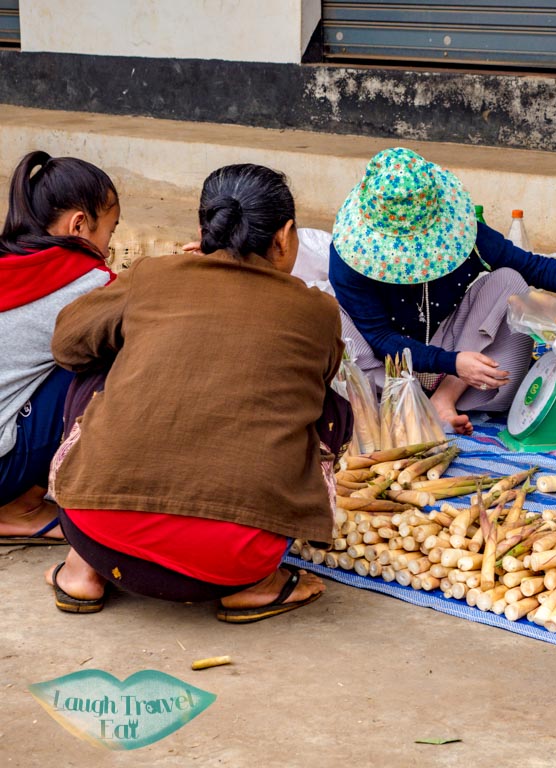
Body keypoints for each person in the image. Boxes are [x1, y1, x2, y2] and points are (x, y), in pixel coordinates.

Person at [46, 163, 349, 622]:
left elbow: (68, 343)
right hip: (237, 563)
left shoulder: (153, 275)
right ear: (285, 237)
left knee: (97, 366)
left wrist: (172, 282)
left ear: (205, 228)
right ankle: (261, 587)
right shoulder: (318, 311)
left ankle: (81, 571)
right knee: (331, 411)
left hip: (95, 531)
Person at [329, 147, 556, 435]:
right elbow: (380, 338)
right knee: (331, 318)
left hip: (454, 360)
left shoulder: (466, 234)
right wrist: (453, 362)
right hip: (386, 370)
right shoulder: (348, 257)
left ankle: (443, 400)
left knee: (509, 281)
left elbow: (529, 266)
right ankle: (400, 406)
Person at [0, 151, 118, 545]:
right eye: (110, 233)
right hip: (3, 471)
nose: (108, 249)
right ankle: (23, 506)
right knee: (101, 359)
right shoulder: (85, 280)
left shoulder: (10, 260)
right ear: (80, 225)